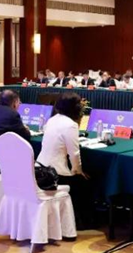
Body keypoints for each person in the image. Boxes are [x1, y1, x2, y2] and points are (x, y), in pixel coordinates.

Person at [37, 92, 94, 229]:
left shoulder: (52, 119)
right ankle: (82, 222)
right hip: (55, 174)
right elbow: (74, 154)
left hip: (41, 167)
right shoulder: (70, 125)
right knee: (87, 180)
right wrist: (78, 171)